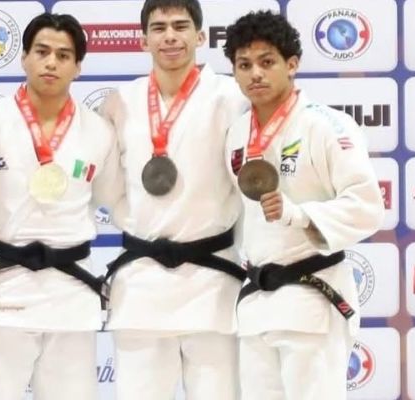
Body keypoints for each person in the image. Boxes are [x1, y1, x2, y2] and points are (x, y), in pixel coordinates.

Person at [0, 12, 125, 400]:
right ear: (25, 57)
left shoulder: (98, 131)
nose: (51, 63)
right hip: (4, 286)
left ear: (78, 66)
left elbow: (107, 197)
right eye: (42, 51)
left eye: (64, 56)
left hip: (72, 288)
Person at [222, 10, 384, 400]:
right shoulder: (237, 134)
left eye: (266, 62)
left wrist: (300, 214)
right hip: (258, 304)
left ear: (291, 65)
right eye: (244, 65)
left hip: (311, 297)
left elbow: (367, 206)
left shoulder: (327, 125)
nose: (255, 74)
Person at [99, 0, 249, 398]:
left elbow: (245, 185)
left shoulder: (231, 98)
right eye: (159, 27)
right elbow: (108, 185)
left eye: (181, 26)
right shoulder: (119, 103)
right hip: (141, 282)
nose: (170, 36)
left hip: (214, 281)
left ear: (200, 36)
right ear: (143, 39)